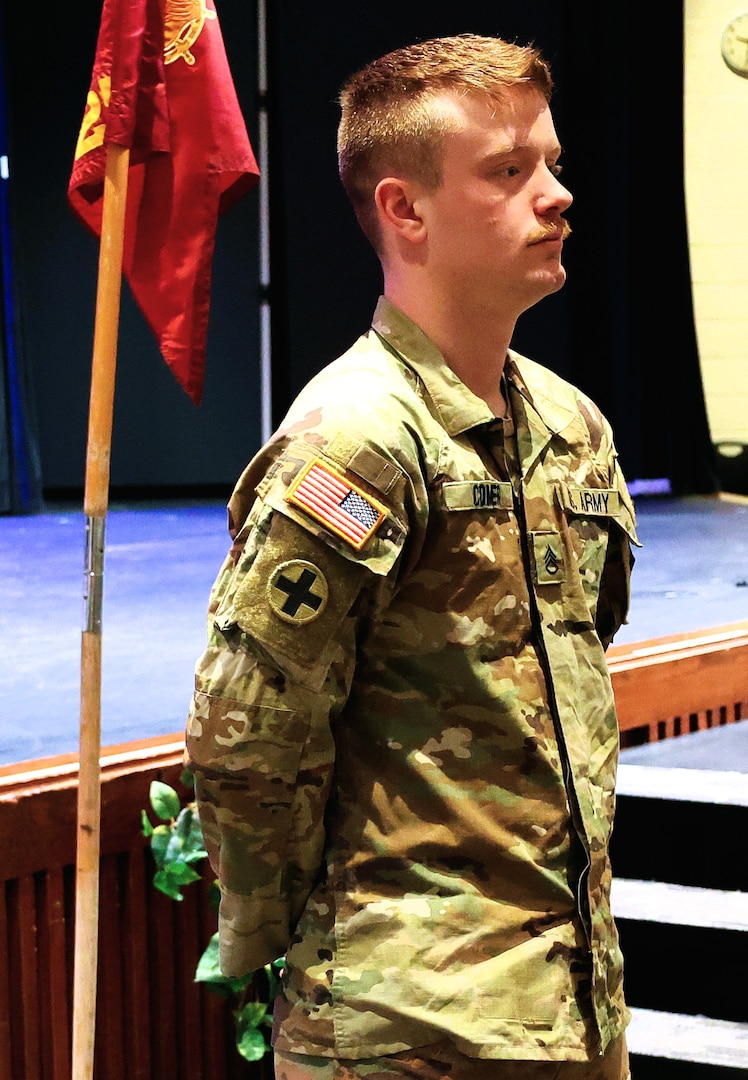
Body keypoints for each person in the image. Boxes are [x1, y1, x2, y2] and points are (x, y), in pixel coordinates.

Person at [185, 32, 640, 1080]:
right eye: (508, 170)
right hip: (408, 1028)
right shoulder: (354, 442)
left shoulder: (569, 426)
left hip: (572, 999)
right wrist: (304, 943)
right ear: (403, 209)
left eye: (553, 162)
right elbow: (248, 740)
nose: (556, 194)